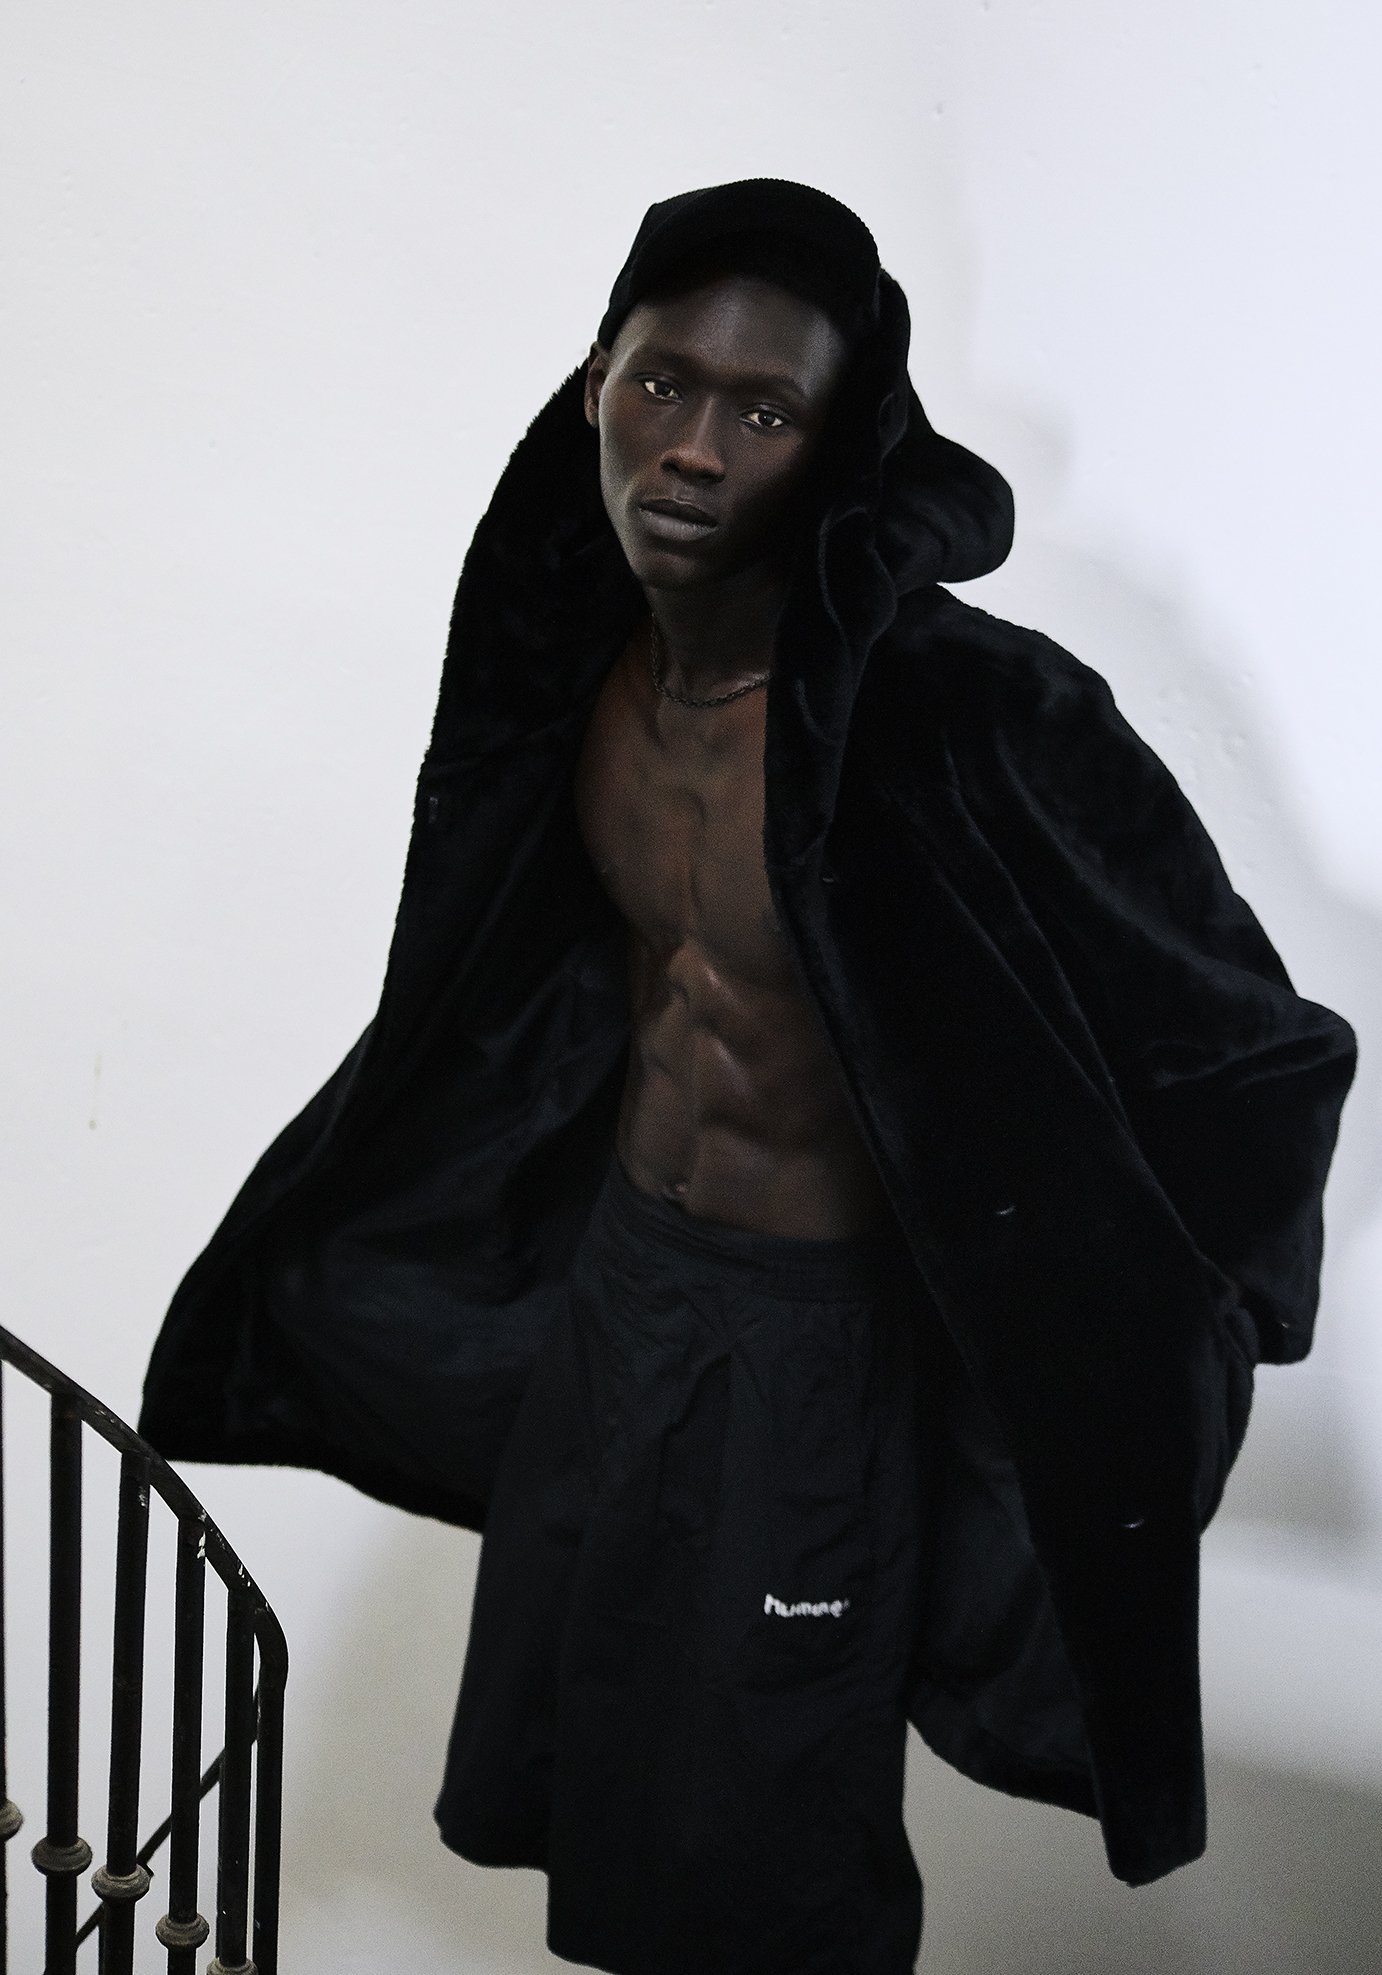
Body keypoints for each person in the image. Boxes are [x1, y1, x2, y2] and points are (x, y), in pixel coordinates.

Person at [139, 179, 1357, 1974]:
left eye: (765, 411)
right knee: (599, 1757)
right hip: (621, 1299)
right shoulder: (571, 672)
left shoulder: (970, 714)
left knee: (776, 1826)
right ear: (593, 385)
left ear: (839, 448)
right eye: (663, 385)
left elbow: (1255, 1049)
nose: (695, 450)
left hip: (818, 1348)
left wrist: (1160, 1339)